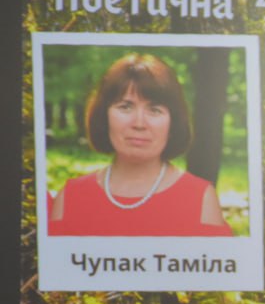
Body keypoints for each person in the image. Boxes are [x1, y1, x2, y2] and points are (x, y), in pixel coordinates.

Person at [48, 53, 233, 237]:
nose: (139, 123)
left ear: (172, 123)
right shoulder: (71, 198)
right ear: (104, 116)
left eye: (154, 110)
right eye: (125, 107)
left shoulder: (200, 199)